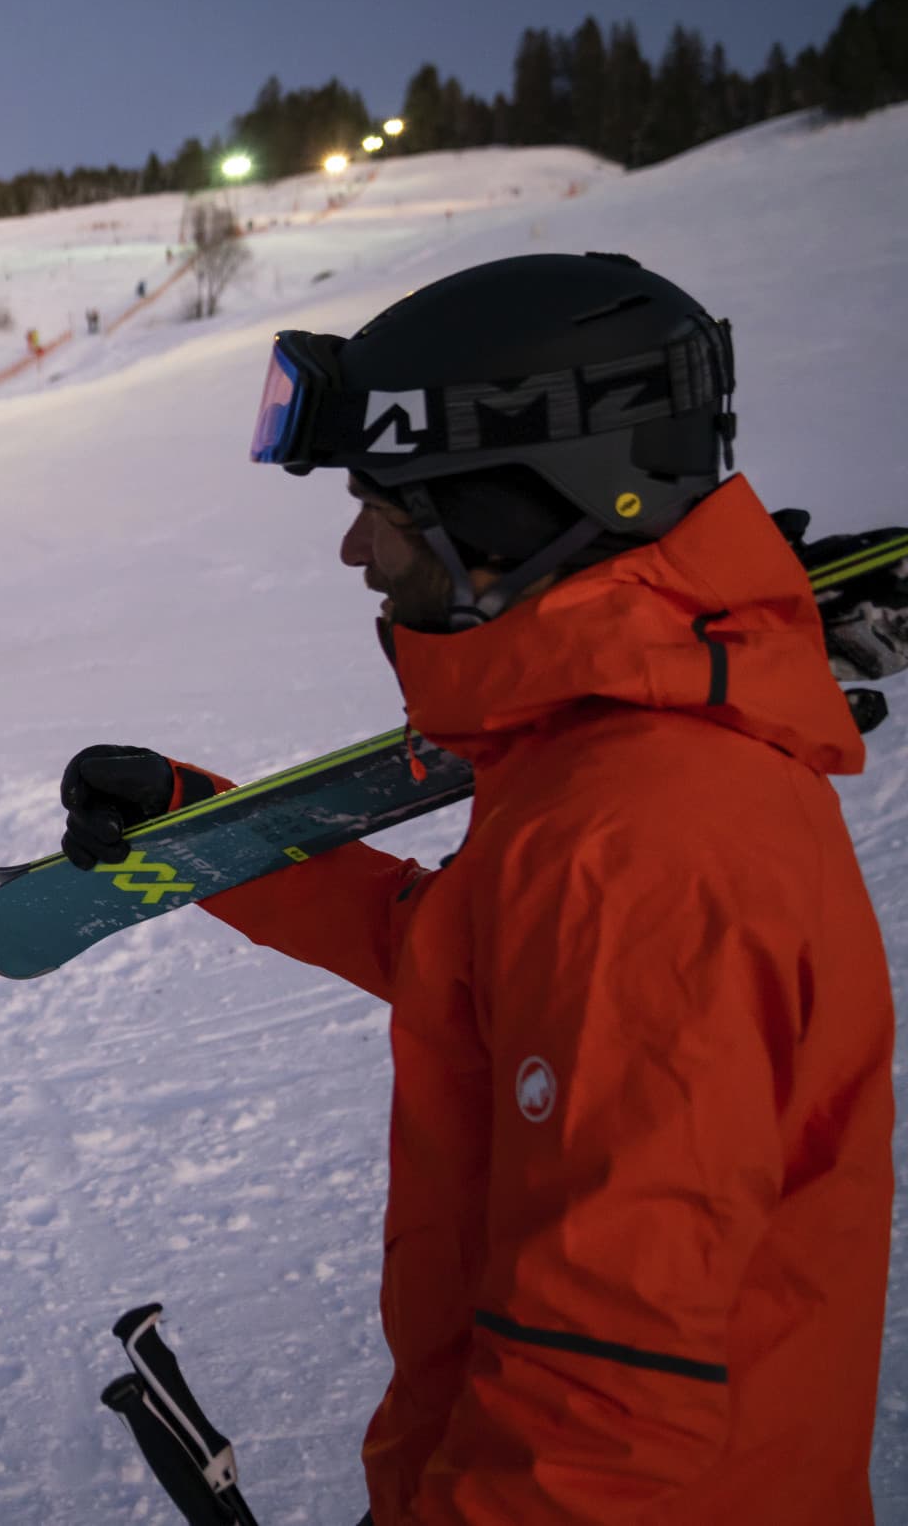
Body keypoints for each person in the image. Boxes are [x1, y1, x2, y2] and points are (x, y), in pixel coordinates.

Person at [57, 253, 892, 1524]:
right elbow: (472, 957)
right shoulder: (594, 771)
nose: (353, 547)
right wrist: (200, 834)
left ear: (508, 508)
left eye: (381, 503)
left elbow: (606, 1408)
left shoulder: (644, 839)